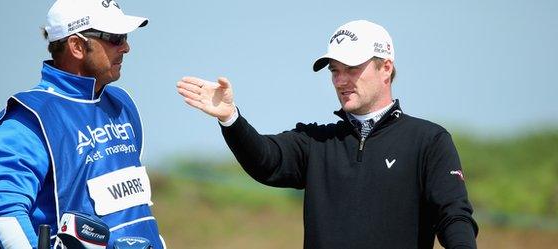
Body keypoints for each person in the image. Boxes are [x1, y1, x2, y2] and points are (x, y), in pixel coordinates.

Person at [176, 20, 478, 248]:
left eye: (351, 68)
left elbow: (454, 215)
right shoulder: (316, 142)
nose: (341, 80)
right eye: (334, 70)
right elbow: (265, 161)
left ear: (385, 68)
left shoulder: (428, 140)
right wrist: (231, 118)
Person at [0, 0, 165, 248]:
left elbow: (132, 204)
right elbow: (5, 210)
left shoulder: (121, 103)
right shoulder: (29, 117)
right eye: (115, 38)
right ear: (76, 46)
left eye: (125, 37)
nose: (126, 47)